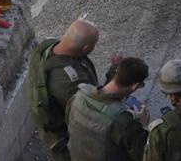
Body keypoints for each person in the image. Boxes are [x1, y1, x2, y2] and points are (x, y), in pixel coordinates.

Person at [28, 19, 102, 161]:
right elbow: (94, 114)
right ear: (86, 48)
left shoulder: (45, 49)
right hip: (66, 140)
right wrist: (115, 73)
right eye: (94, 44)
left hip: (52, 130)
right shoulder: (69, 83)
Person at [66, 57, 150, 161]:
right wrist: (143, 125)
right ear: (135, 85)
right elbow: (143, 155)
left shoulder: (79, 96)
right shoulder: (124, 121)